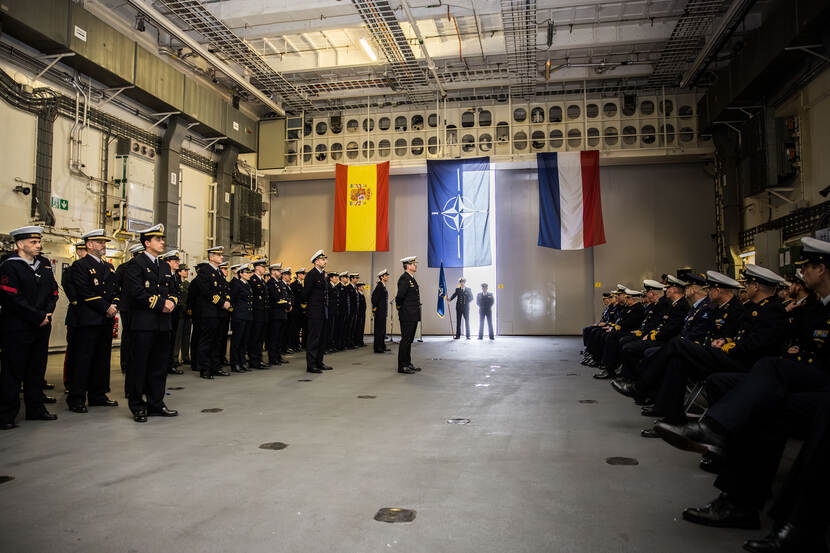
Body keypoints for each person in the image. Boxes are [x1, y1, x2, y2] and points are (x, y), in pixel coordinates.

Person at [0, 226, 59, 429]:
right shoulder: (9, 266)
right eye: (33, 242)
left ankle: (36, 409)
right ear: (20, 244)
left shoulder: (43, 264)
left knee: (36, 369)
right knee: (13, 371)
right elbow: (11, 297)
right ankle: (7, 414)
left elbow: (53, 291)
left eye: (38, 242)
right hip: (18, 327)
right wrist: (37, 316)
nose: (38, 245)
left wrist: (47, 313)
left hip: (42, 326)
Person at [122, 224, 178, 423]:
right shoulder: (135, 265)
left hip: (163, 323)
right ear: (147, 243)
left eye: (162, 239)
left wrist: (172, 302)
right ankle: (137, 405)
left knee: (159, 365)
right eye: (158, 239)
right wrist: (161, 304)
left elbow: (172, 289)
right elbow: (137, 293)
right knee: (139, 365)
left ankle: (156, 402)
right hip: (143, 323)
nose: (162, 242)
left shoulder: (163, 266)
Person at [65, 229, 120, 413]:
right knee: (82, 359)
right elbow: (84, 292)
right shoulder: (79, 266)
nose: (104, 245)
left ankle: (98, 394)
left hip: (104, 321)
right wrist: (106, 307)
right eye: (99, 242)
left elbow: (115, 290)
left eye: (104, 242)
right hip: (87, 320)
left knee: (102, 359)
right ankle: (77, 397)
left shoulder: (108, 267)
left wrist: (114, 305)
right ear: (89, 245)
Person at [190, 246, 231, 379]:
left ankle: (216, 366)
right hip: (208, 312)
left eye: (221, 255)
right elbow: (206, 291)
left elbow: (222, 289)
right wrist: (221, 302)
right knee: (206, 341)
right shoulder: (205, 271)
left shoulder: (218, 272)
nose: (221, 257)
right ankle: (205, 368)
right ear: (211, 257)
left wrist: (226, 301)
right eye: (218, 255)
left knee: (217, 341)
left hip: (218, 313)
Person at [115, 244, 145, 376]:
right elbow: (116, 286)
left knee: (140, 337)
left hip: (141, 307)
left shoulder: (146, 267)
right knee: (127, 335)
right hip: (127, 307)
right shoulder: (124, 268)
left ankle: (138, 362)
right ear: (133, 255)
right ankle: (125, 363)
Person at [302, 250, 331, 373]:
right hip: (314, 311)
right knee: (314, 338)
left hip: (323, 310)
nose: (325, 261)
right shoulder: (311, 275)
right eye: (323, 259)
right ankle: (311, 364)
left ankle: (319, 362)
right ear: (316, 261)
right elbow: (305, 294)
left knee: (322, 338)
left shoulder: (322, 274)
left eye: (325, 259)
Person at [395, 256, 421, 374]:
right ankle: (402, 366)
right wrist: (401, 308)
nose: (415, 265)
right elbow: (399, 297)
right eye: (413, 263)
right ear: (408, 266)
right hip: (407, 314)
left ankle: (407, 363)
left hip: (413, 314)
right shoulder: (404, 279)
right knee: (405, 340)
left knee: (409, 340)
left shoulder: (411, 278)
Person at [160, 250, 184, 375]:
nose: (177, 263)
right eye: (175, 261)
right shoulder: (164, 274)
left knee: (173, 339)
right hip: (166, 311)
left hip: (175, 311)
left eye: (178, 261)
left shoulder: (175, 276)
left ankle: (170, 364)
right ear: (167, 262)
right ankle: (165, 365)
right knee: (166, 341)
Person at [229, 263, 254, 373]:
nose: (249, 274)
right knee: (237, 341)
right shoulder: (236, 284)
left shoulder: (247, 285)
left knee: (244, 341)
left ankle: (242, 361)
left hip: (247, 315)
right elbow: (233, 300)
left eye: (249, 272)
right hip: (239, 315)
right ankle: (235, 363)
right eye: (247, 272)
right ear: (241, 274)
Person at [248, 259, 270, 370]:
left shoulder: (261, 281)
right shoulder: (253, 280)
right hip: (256, 313)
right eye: (262, 267)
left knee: (260, 338)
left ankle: (259, 359)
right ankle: (254, 360)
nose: (264, 269)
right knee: (255, 338)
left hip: (263, 313)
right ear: (257, 268)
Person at [266, 263, 290, 365]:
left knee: (280, 337)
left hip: (282, 313)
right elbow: (277, 298)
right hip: (275, 313)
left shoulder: (279, 283)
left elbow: (285, 296)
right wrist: (286, 305)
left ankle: (278, 355)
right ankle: (273, 358)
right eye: (278, 271)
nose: (280, 272)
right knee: (274, 337)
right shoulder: (271, 283)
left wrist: (288, 304)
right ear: (273, 272)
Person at [174, 264, 192, 366]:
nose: (186, 272)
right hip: (179, 312)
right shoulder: (176, 283)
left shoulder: (187, 284)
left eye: (187, 270)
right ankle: (175, 357)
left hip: (187, 313)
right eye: (184, 270)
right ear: (179, 272)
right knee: (178, 336)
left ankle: (186, 356)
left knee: (186, 335)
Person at [372, 269, 390, 353]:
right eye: (386, 275)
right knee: (379, 330)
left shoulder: (383, 286)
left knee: (382, 330)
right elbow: (374, 299)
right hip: (379, 312)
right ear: (382, 277)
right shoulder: (379, 287)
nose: (387, 277)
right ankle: (377, 347)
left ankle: (382, 346)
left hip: (383, 312)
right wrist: (375, 310)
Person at [289, 268, 306, 350]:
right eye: (302, 274)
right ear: (299, 274)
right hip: (296, 310)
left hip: (302, 310)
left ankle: (298, 344)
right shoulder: (293, 285)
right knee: (295, 328)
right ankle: (294, 344)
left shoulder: (303, 285)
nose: (304, 275)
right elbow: (294, 298)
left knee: (300, 327)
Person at [219, 261, 231, 365]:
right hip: (220, 312)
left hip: (226, 313)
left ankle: (222, 357)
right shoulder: (219, 282)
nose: (226, 271)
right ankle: (219, 358)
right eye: (224, 269)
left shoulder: (226, 283)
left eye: (226, 269)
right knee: (218, 338)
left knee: (223, 337)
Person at [325, 270, 340, 353]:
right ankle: (326, 346)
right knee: (328, 329)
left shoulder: (334, 287)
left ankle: (331, 345)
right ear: (331, 278)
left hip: (334, 311)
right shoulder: (328, 287)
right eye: (335, 277)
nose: (337, 278)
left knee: (332, 330)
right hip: (329, 311)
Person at [335, 271, 350, 350]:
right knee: (339, 329)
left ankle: (343, 344)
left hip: (345, 311)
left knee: (344, 329)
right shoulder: (338, 287)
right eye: (346, 277)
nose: (347, 279)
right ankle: (338, 345)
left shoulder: (345, 287)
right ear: (341, 278)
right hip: (340, 312)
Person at [355, 282, 367, 347]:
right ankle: (358, 341)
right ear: (359, 287)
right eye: (362, 287)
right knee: (358, 328)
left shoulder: (362, 294)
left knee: (362, 327)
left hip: (362, 314)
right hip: (359, 314)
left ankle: (361, 341)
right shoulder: (358, 295)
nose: (363, 288)